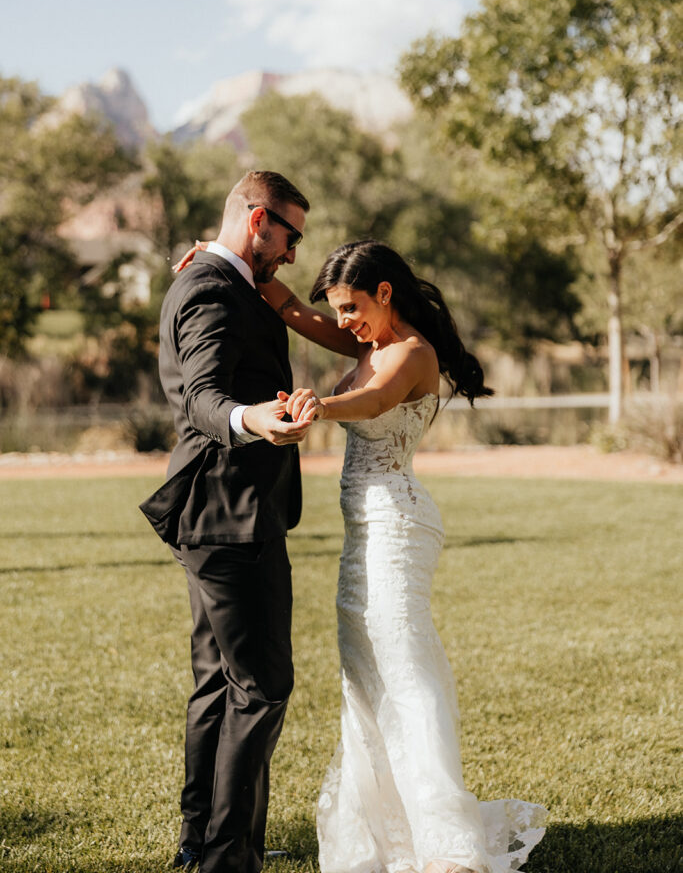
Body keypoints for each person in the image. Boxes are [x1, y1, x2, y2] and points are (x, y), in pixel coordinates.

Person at [172, 237, 548, 872]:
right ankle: (382, 831)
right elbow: (293, 308)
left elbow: (374, 402)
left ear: (385, 293)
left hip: (397, 525)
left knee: (405, 669)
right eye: (340, 312)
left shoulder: (412, 354)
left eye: (351, 308)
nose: (343, 323)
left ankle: (447, 842)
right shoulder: (369, 342)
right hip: (363, 534)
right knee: (363, 674)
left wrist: (319, 406)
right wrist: (219, 254)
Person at [139, 171, 315, 873]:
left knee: (219, 683)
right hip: (230, 515)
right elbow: (204, 399)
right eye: (290, 235)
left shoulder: (218, 277)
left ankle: (202, 842)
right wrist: (257, 419)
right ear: (257, 219)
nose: (294, 253)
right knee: (263, 685)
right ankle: (226, 857)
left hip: (214, 512)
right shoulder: (211, 288)